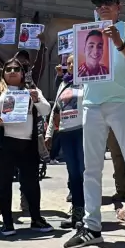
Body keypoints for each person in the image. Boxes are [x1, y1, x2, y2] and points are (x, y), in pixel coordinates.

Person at [64, 0, 125, 248]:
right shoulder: (87, 32)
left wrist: (118, 42)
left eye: (108, 3)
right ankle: (92, 227)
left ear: (118, 7)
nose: (102, 7)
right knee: (91, 169)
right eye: (98, 4)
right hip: (92, 105)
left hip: (123, 103)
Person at [0, 57, 53, 236]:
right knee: (3, 183)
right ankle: (7, 222)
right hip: (5, 143)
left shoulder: (32, 90)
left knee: (31, 183)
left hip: (28, 144)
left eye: (16, 69)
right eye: (8, 69)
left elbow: (46, 110)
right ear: (3, 73)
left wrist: (38, 100)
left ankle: (36, 218)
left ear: (22, 73)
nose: (12, 71)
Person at [45, 54, 85, 228]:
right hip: (65, 132)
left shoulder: (88, 81)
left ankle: (89, 213)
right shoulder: (63, 83)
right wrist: (49, 134)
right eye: (68, 64)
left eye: (73, 63)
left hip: (83, 131)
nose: (70, 66)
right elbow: (55, 109)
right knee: (73, 174)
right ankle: (76, 213)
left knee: (85, 173)